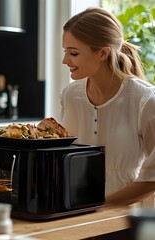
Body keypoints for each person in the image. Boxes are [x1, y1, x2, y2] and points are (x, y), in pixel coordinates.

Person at [60, 7, 155, 206]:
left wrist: (102, 207)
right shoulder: (70, 96)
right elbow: (64, 158)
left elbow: (152, 178)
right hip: (77, 210)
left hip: (129, 216)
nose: (65, 60)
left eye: (73, 53)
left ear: (103, 53)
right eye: (65, 52)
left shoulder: (144, 99)